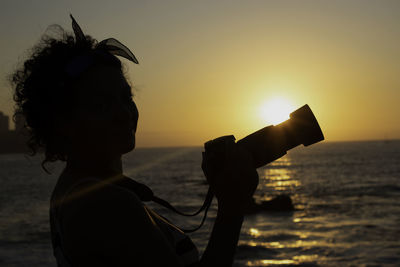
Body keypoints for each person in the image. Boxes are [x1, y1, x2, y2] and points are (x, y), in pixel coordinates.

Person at [11, 15, 259, 267]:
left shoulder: (69, 191)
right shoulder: (109, 204)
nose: (124, 113)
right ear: (64, 122)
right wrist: (231, 207)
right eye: (101, 104)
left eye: (126, 97)